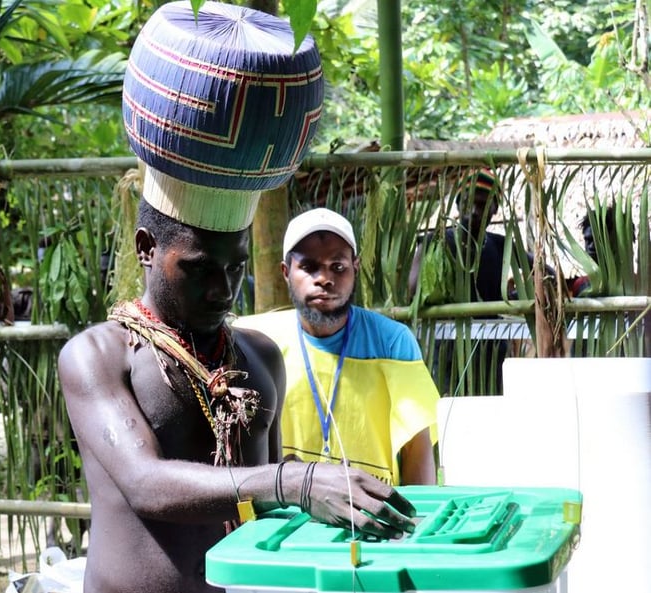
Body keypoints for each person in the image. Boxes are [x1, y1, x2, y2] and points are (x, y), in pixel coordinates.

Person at [58, 4, 416, 593]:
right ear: (147, 247)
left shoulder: (256, 357)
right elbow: (145, 483)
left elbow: (271, 512)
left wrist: (350, 521)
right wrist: (292, 480)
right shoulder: (97, 355)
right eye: (199, 269)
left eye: (236, 267)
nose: (223, 289)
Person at [234, 209, 439, 486]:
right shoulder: (258, 340)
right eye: (309, 267)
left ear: (355, 268)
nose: (324, 279)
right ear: (285, 272)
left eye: (337, 267)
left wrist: (419, 521)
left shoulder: (392, 342)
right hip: (285, 516)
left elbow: (416, 447)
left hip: (375, 515)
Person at [408, 167, 524, 394]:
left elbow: (543, 271)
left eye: (482, 205)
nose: (473, 211)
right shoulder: (436, 242)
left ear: (495, 209)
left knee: (489, 411)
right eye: (467, 203)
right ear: (457, 206)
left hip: (491, 349)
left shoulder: (501, 245)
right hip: (449, 349)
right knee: (450, 412)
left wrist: (518, 296)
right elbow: (413, 292)